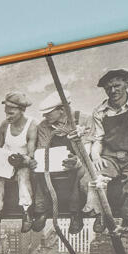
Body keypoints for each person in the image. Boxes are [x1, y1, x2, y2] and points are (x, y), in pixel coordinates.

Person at [32, 95, 93, 234]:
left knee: (80, 175)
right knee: (39, 172)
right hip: (54, 162)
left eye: (49, 113)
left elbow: (87, 149)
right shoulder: (43, 126)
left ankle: (75, 213)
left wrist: (76, 161)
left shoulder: (83, 119)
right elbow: (42, 149)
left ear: (62, 109)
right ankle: (41, 210)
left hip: (79, 161)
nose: (45, 116)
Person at [95, 68, 128, 219]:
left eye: (117, 86)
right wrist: (96, 156)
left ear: (127, 83)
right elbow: (98, 139)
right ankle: (100, 216)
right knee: (96, 178)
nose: (113, 90)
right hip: (110, 157)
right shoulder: (100, 111)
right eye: (108, 88)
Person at [0, 92, 37, 228]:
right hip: (8, 162)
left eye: (11, 113)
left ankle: (26, 210)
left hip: (23, 162)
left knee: (23, 174)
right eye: (6, 113)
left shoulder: (32, 125)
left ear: (21, 111)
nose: (7, 117)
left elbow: (31, 153)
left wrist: (23, 159)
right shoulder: (5, 125)